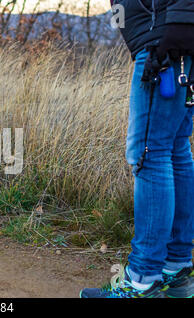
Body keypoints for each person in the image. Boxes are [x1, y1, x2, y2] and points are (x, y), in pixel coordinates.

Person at [81, 0, 194, 298]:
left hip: (166, 38)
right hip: (174, 36)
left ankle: (144, 279)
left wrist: (180, 23)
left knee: (149, 153)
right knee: (175, 149)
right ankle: (176, 270)